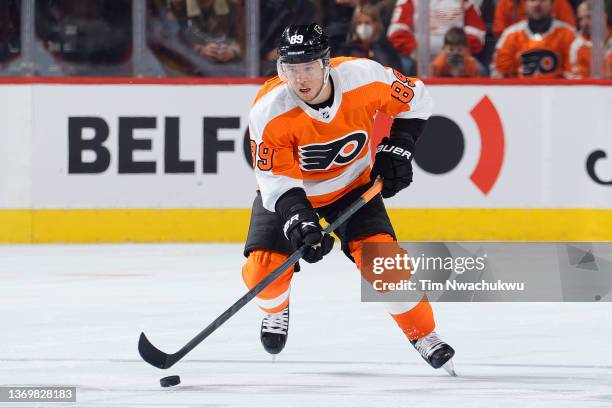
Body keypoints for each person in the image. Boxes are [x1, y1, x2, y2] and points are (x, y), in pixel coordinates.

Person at [242, 23, 455, 372]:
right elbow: (274, 179)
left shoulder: (363, 77)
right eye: (291, 69)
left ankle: (424, 335)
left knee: (387, 266)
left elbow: (417, 100)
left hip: (354, 187)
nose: (300, 79)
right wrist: (299, 218)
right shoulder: (268, 109)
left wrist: (400, 146)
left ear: (327, 63)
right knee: (264, 269)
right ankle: (275, 309)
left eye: (308, 67)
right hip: (293, 193)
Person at [491, 0, 576, 78]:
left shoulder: (568, 34)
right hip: (520, 90)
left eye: (543, 1)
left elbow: (574, 73)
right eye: (532, 0)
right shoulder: (510, 35)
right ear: (525, 4)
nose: (537, 4)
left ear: (552, 4)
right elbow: (500, 73)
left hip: (558, 91)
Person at [387, 0, 487, 65]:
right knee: (403, 67)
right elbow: (397, 31)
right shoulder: (409, 1)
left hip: (457, 54)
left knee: (479, 69)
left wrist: (459, 50)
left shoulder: (465, 1)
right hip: (417, 58)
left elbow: (476, 31)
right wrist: (414, 53)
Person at [337, 5, 403, 71]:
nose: (363, 27)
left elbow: (393, 72)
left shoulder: (386, 48)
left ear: (376, 24)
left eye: (367, 23)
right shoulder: (348, 48)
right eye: (359, 23)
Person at [568, 0, 612, 78]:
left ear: (603, 16)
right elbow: (579, 83)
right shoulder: (577, 46)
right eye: (581, 19)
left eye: (589, 17)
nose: (584, 23)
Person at [493, 0, 576, 39]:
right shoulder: (505, 3)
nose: (537, 4)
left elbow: (570, 32)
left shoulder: (559, 2)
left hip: (555, 52)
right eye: (532, 1)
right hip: (518, 54)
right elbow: (500, 33)